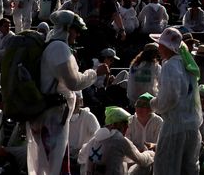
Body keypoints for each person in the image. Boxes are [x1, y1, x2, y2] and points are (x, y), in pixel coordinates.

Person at [27, 10, 101, 175]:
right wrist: (95, 73)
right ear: (68, 29)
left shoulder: (54, 47)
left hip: (54, 118)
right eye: (75, 31)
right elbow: (74, 82)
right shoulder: (59, 48)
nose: (77, 35)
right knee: (53, 168)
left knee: (54, 166)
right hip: (52, 119)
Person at [150, 27, 202, 175]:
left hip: (175, 127)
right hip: (191, 127)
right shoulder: (187, 65)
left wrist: (154, 104)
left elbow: (170, 97)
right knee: (189, 169)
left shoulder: (170, 65)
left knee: (167, 169)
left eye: (160, 44)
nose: (158, 47)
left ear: (167, 46)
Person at [79, 106, 155, 175]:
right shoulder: (120, 140)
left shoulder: (94, 139)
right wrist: (151, 153)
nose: (127, 127)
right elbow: (142, 160)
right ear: (116, 125)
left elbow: (81, 156)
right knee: (146, 164)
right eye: (125, 124)